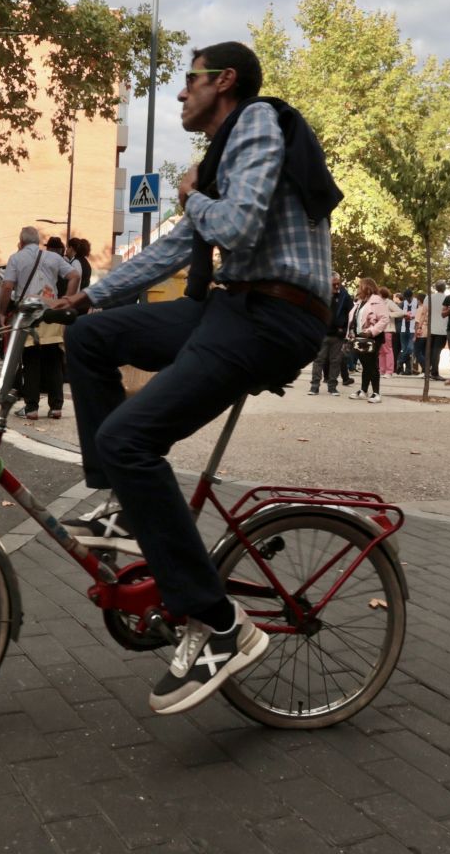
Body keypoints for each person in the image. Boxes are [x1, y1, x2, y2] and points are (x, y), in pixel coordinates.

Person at [48, 41, 340, 715]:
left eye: (190, 82)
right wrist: (89, 298)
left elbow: (234, 227)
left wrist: (189, 195)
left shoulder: (260, 121)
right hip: (230, 306)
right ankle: (119, 501)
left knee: (130, 439)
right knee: (91, 338)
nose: (180, 95)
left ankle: (220, 625)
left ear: (225, 82)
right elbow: (182, 245)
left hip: (273, 315)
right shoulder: (221, 154)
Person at [1, 227, 80, 420]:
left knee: (31, 361)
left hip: (29, 314)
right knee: (53, 360)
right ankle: (56, 407)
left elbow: (7, 286)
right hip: (51, 312)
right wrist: (65, 300)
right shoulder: (53, 257)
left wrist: (2, 312)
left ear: (21, 242)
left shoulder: (16, 258)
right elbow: (74, 276)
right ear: (38, 241)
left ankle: (32, 408)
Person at [308, 272, 352, 395]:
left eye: (338, 284)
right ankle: (314, 386)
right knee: (319, 360)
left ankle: (332, 386)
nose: (337, 287)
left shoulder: (344, 296)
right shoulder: (321, 295)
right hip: (322, 333)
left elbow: (351, 313)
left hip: (338, 335)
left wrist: (345, 330)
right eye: (334, 284)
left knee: (335, 361)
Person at [351, 278, 390, 403]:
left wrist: (371, 331)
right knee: (366, 365)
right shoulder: (361, 301)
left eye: (360, 286)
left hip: (373, 338)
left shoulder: (376, 301)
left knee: (372, 365)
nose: (358, 288)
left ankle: (376, 393)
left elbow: (384, 319)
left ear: (366, 287)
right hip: (360, 337)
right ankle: (363, 391)